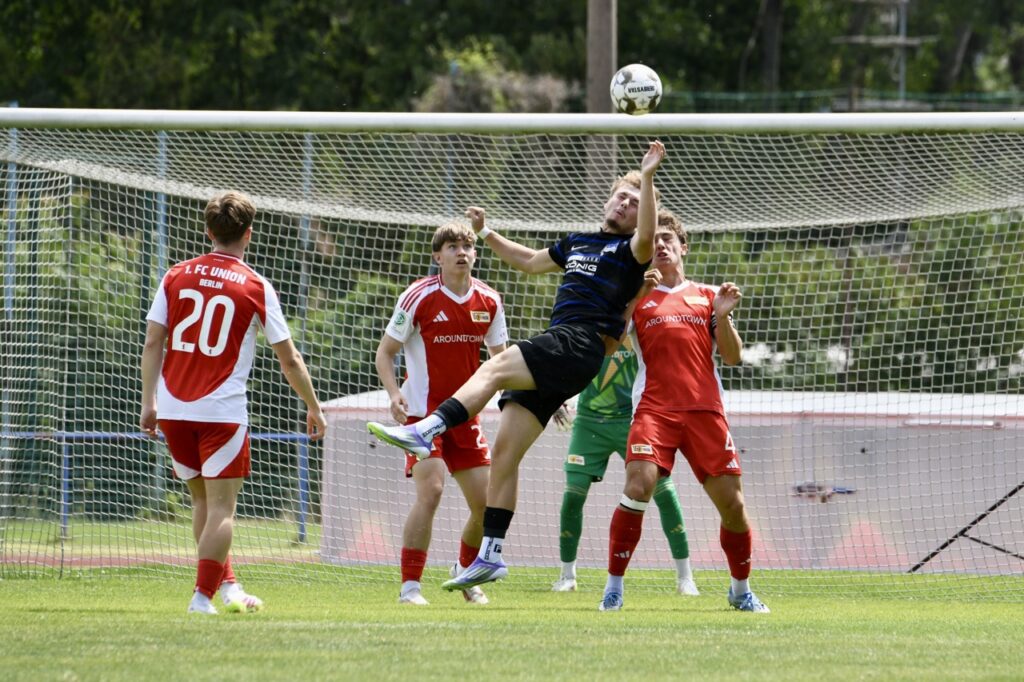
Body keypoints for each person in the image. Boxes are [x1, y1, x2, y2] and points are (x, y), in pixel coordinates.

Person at [368, 141, 666, 591]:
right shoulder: (578, 242)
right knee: (506, 454)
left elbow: (645, 235)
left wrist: (646, 177)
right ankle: (490, 554)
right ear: (607, 200)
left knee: (491, 369)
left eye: (635, 203)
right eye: (620, 196)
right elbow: (528, 261)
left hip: (577, 343)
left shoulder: (631, 251)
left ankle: (425, 429)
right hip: (565, 354)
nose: (625, 205)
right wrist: (486, 233)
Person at [139, 191, 326, 615]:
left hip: (172, 408)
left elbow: (153, 342)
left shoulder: (175, 275)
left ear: (208, 231)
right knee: (222, 508)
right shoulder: (255, 285)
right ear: (249, 234)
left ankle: (227, 588)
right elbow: (290, 358)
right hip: (220, 412)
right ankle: (201, 598)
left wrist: (148, 402)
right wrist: (314, 406)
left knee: (202, 504)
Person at [597, 210, 769, 613]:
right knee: (637, 486)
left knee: (734, 507)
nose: (659, 245)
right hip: (654, 410)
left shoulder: (709, 295)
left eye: (667, 241)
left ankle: (741, 591)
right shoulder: (638, 298)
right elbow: (611, 345)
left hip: (705, 412)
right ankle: (613, 588)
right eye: (653, 241)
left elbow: (731, 357)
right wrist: (633, 299)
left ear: (682, 248)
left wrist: (723, 318)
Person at [551, 210, 698, 598]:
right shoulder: (606, 301)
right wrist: (555, 393)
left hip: (634, 419)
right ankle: (567, 574)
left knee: (663, 493)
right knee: (572, 497)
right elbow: (569, 352)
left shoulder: (650, 307)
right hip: (590, 422)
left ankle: (686, 577)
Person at [374, 222, 508, 606]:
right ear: (438, 256)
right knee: (431, 491)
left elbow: (502, 361)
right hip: (421, 418)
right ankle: (410, 587)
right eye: (452, 246)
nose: (461, 251)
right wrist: (394, 394)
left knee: (486, 507)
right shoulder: (418, 296)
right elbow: (385, 352)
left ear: (475, 254)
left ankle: (465, 574)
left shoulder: (490, 301)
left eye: (467, 245)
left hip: (466, 419)